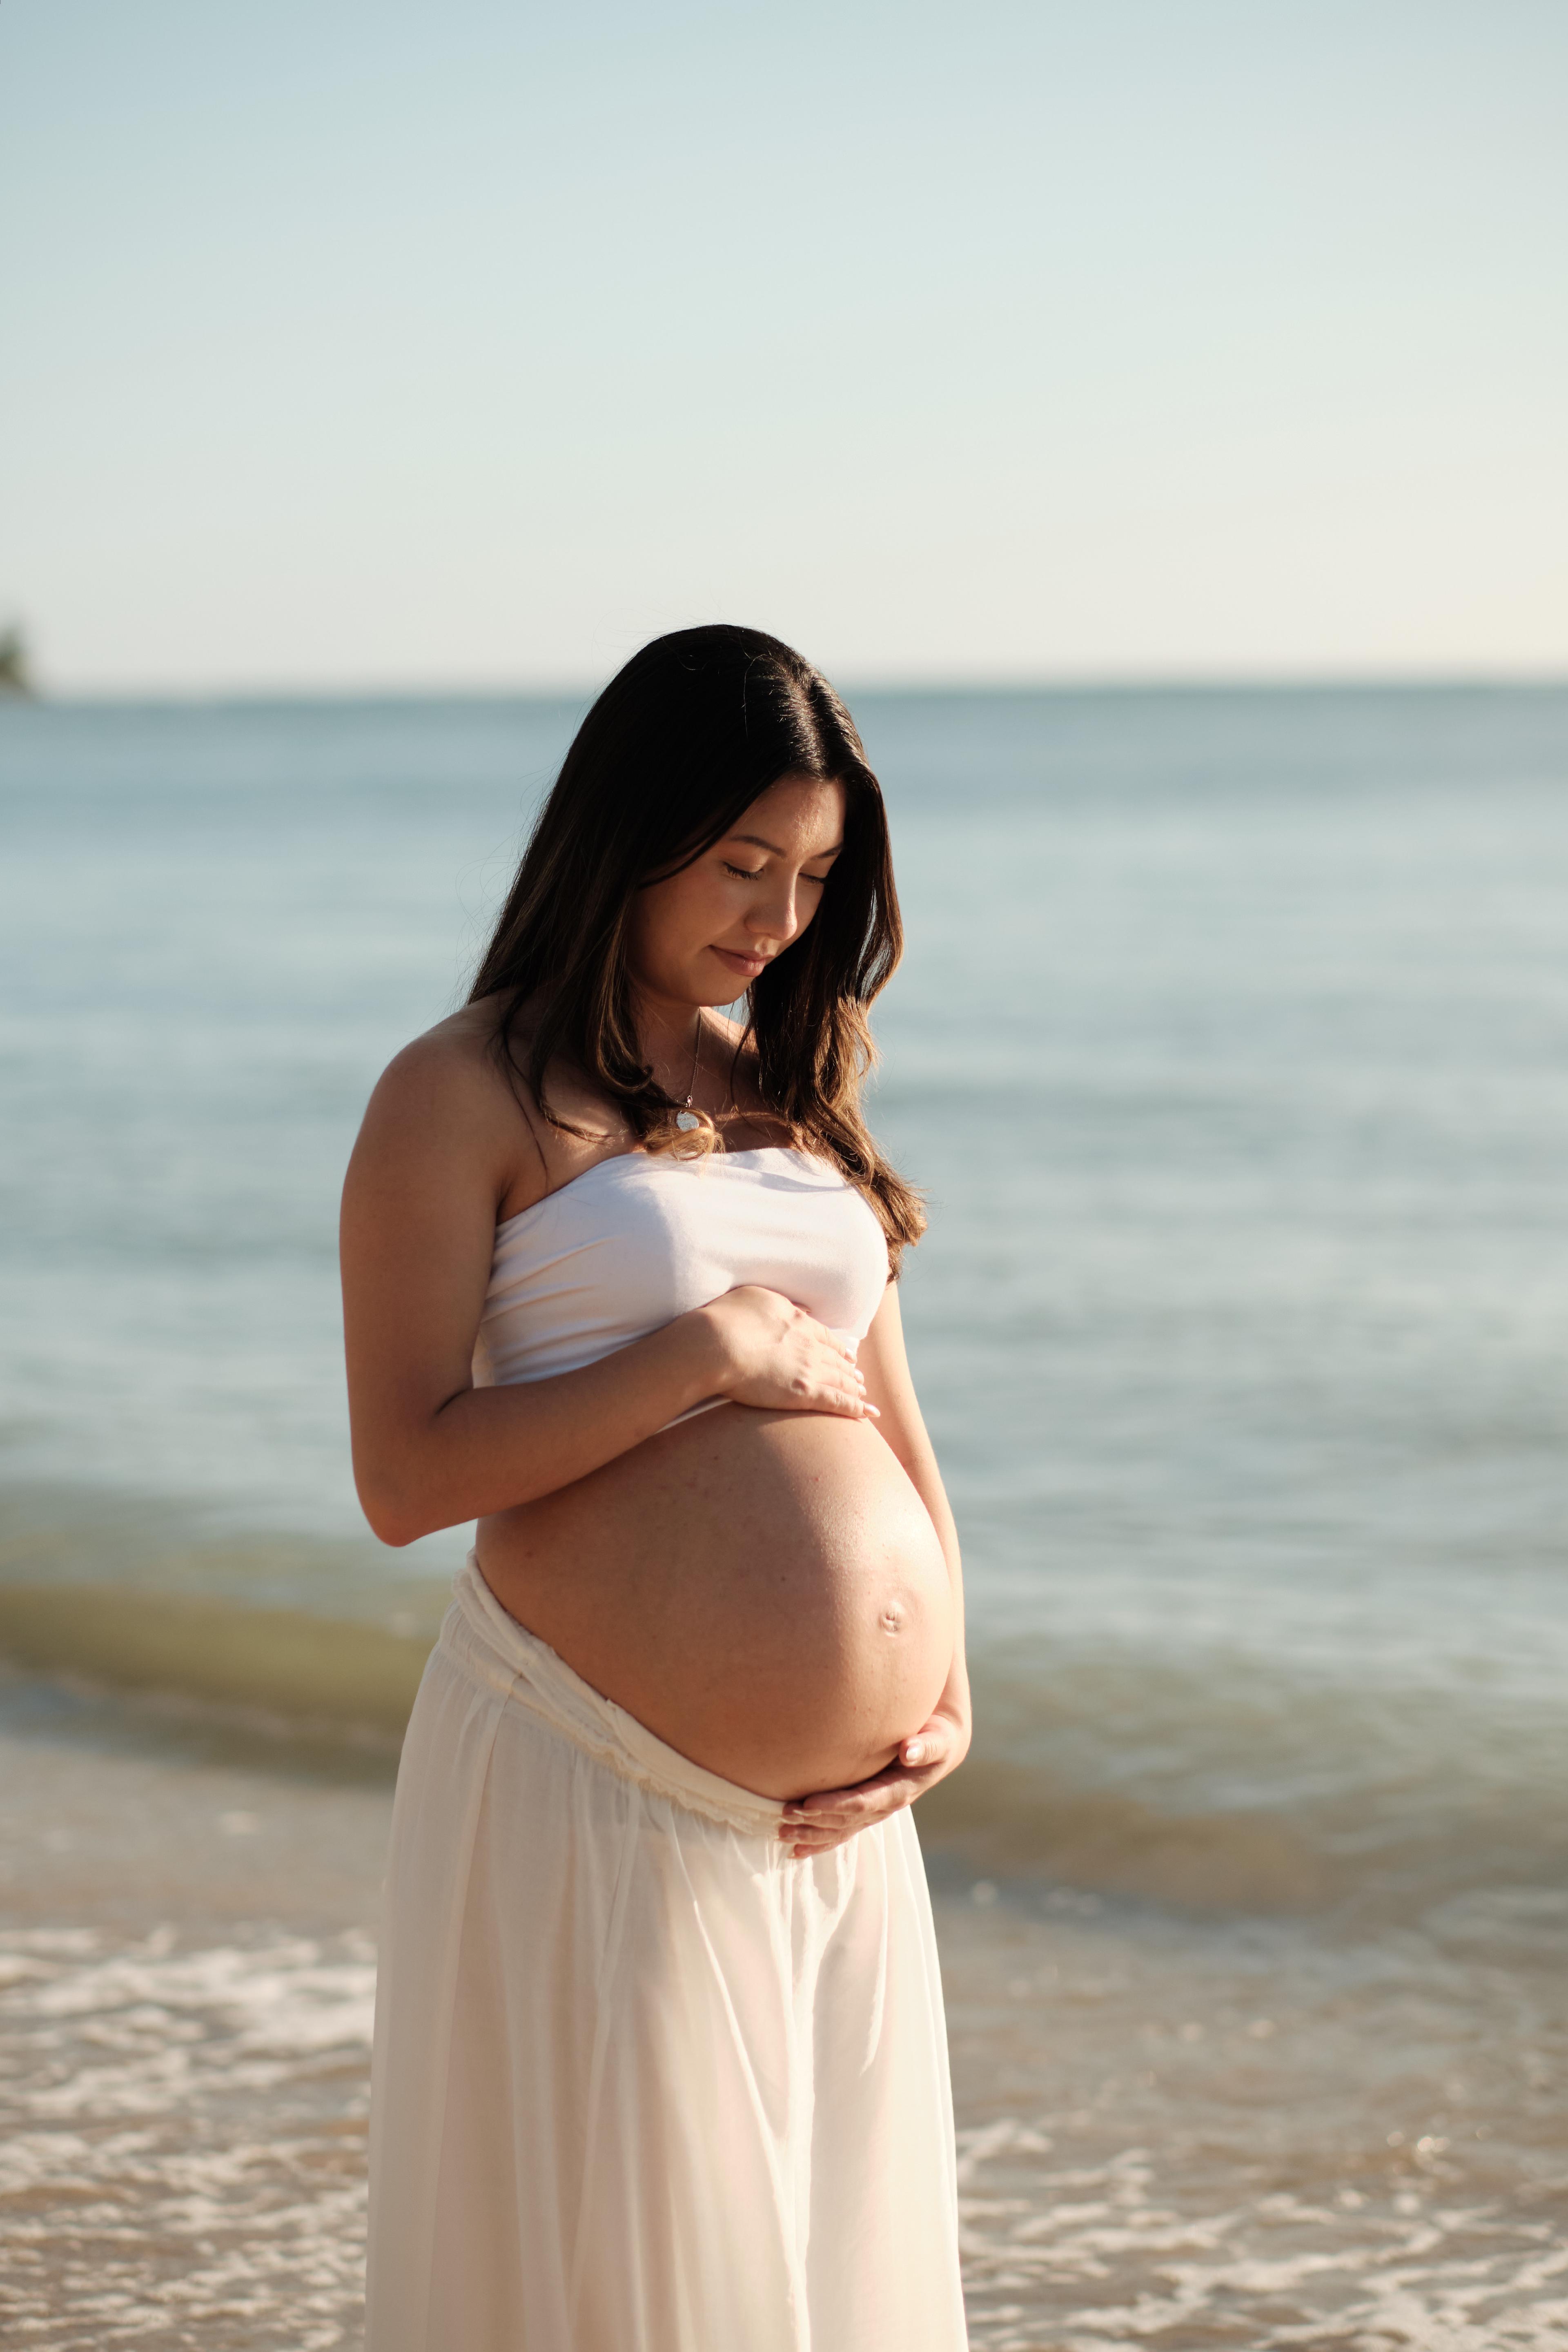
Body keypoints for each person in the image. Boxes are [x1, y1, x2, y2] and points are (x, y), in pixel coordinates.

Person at [342, 624, 971, 2350]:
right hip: (591, 1775)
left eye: (817, 874)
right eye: (745, 860)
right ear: (630, 829)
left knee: (814, 2283)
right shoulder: (461, 1089)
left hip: (839, 1827)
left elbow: (896, 1423)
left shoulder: (798, 1094)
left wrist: (950, 1681)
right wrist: (695, 1357)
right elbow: (405, 1475)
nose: (776, 914)